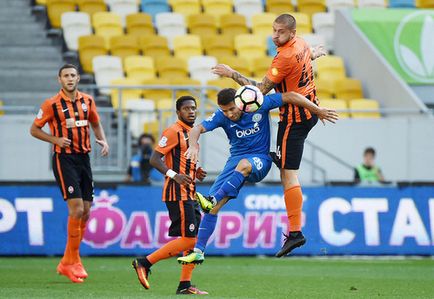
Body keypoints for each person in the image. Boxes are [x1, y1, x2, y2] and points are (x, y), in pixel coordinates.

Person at [177, 88, 338, 265]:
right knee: (210, 210)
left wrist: (317, 110)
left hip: (260, 159)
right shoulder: (220, 116)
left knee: (243, 166)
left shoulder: (258, 104)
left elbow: (291, 96)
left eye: (232, 109)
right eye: (225, 111)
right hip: (234, 162)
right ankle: (199, 251)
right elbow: (196, 130)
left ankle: (214, 198)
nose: (229, 114)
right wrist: (193, 146)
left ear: (240, 102)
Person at [212, 13, 326, 258]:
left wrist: (233, 74)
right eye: (274, 30)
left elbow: (258, 93)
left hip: (294, 118)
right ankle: (279, 156)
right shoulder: (302, 43)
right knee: (285, 164)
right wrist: (313, 54)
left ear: (291, 34)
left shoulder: (284, 57)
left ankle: (295, 232)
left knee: (288, 174)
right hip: (309, 110)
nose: (275, 35)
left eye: (280, 32)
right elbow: (304, 58)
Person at [30, 64, 109, 283]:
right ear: (59, 80)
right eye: (66, 76)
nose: (70, 78)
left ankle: (69, 260)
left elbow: (95, 121)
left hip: (84, 158)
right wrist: (55, 139)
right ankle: (71, 261)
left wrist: (102, 139)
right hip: (64, 159)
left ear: (78, 78)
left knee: (86, 211)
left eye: (73, 75)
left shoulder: (87, 100)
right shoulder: (51, 104)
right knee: (76, 209)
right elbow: (34, 129)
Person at [131, 96, 213, 295]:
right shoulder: (173, 131)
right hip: (177, 193)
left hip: (190, 192)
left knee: (193, 239)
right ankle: (144, 262)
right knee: (191, 240)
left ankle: (185, 284)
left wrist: (197, 171)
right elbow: (154, 158)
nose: (191, 111)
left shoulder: (192, 133)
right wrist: (174, 175)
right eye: (186, 109)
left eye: (193, 108)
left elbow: (183, 160)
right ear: (178, 112)